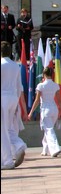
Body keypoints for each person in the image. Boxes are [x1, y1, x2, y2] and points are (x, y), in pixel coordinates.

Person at [1, 41, 27, 170]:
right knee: (8, 127)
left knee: (2, 130)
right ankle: (18, 145)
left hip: (2, 97)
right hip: (12, 97)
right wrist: (17, 102)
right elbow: (19, 86)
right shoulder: (15, 65)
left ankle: (6, 161)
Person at [27, 66, 61, 157]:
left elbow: (37, 100)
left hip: (45, 110)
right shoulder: (55, 85)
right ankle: (45, 149)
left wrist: (31, 112)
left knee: (49, 130)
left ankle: (55, 149)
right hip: (54, 110)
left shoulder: (41, 85)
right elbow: (59, 100)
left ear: (44, 74)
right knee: (48, 129)